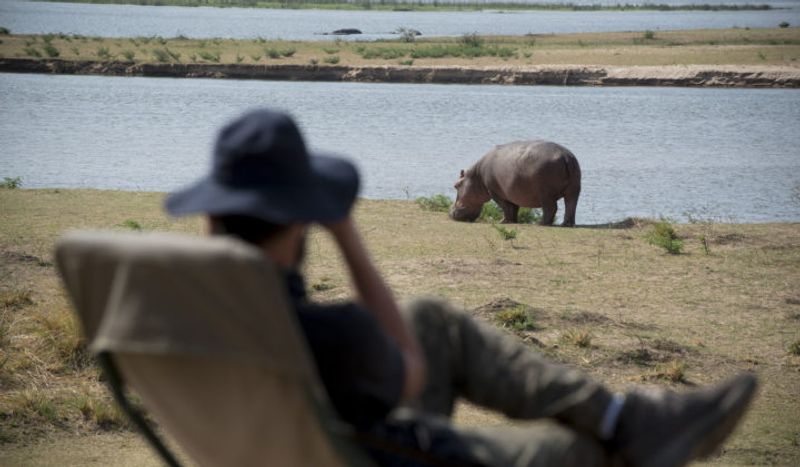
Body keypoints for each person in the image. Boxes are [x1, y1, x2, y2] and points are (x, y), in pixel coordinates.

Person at [165, 109, 757, 467]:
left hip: (293, 442)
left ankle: (622, 416)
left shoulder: (177, 317)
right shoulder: (328, 333)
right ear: (303, 219)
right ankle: (627, 424)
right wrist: (346, 233)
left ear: (211, 218)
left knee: (430, 313)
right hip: (382, 456)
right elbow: (412, 373)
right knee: (586, 455)